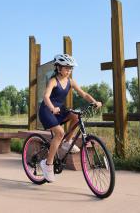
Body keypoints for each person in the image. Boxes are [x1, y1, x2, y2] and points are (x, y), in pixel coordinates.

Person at [38, 54, 102, 182]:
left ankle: (67, 142)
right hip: (47, 110)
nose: (69, 70)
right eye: (66, 68)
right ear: (58, 68)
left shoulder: (70, 81)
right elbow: (46, 97)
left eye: (70, 68)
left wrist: (94, 102)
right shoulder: (53, 81)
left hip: (60, 110)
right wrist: (52, 108)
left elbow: (83, 94)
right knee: (59, 133)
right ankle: (47, 164)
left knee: (77, 116)